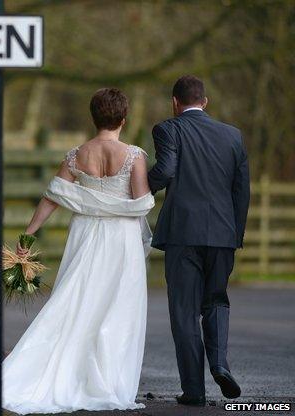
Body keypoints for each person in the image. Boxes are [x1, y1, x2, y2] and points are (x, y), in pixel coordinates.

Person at [0, 88, 154, 414]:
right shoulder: (135, 156)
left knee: (73, 301)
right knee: (117, 309)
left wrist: (28, 235)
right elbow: (141, 204)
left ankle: (44, 373)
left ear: (93, 117)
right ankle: (107, 382)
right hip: (122, 240)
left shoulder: (76, 155)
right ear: (124, 119)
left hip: (85, 234)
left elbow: (53, 196)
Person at [148, 75, 250, 406]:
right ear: (204, 102)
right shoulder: (233, 136)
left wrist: (136, 190)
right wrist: (235, 234)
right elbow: (241, 191)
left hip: (183, 233)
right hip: (223, 234)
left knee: (184, 311)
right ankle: (219, 364)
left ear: (175, 102)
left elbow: (165, 171)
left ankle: (194, 390)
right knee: (217, 300)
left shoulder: (168, 129)